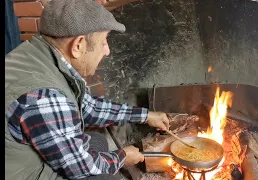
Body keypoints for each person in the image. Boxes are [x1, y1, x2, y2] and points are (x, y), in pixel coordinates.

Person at [5, 0, 170, 179]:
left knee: (97, 141)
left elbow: (89, 108)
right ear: (78, 45)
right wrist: (122, 158)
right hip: (24, 174)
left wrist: (146, 116)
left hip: (26, 158)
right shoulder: (44, 96)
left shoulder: (40, 55)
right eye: (104, 41)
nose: (107, 51)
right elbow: (81, 168)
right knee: (107, 177)